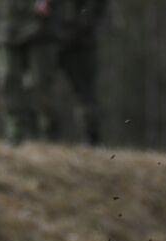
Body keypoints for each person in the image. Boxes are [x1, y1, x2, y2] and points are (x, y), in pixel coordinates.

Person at [0, 0, 62, 144]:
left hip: (41, 29)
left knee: (41, 84)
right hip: (9, 28)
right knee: (8, 81)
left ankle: (49, 135)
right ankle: (14, 133)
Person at [56, 0, 107, 145]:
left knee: (85, 95)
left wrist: (78, 27)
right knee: (39, 89)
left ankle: (91, 140)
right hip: (44, 37)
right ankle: (43, 138)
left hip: (81, 42)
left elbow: (95, 8)